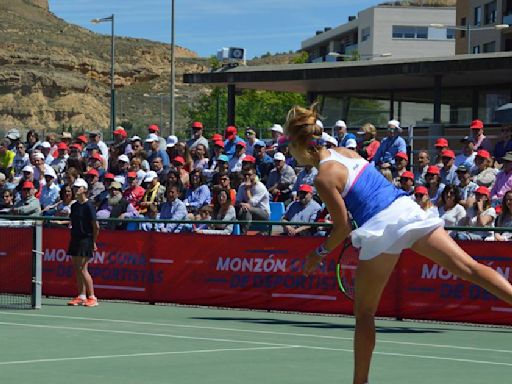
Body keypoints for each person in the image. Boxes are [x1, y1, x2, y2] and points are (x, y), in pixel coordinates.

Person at [284, 104, 512, 384]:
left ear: (300, 145)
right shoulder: (348, 152)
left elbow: (341, 228)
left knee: (365, 312)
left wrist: (318, 253)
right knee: (470, 268)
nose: (289, 154)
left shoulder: (322, 178)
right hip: (406, 210)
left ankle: (360, 382)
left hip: (382, 227)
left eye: (289, 148)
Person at [67, 178, 99, 307]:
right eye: (74, 187)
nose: (75, 190)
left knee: (83, 268)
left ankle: (92, 297)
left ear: (84, 190)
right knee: (76, 268)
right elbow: (73, 222)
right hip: (75, 238)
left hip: (86, 240)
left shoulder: (89, 206)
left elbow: (96, 226)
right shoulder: (74, 206)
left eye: (78, 187)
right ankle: (81, 296)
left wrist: (93, 242)